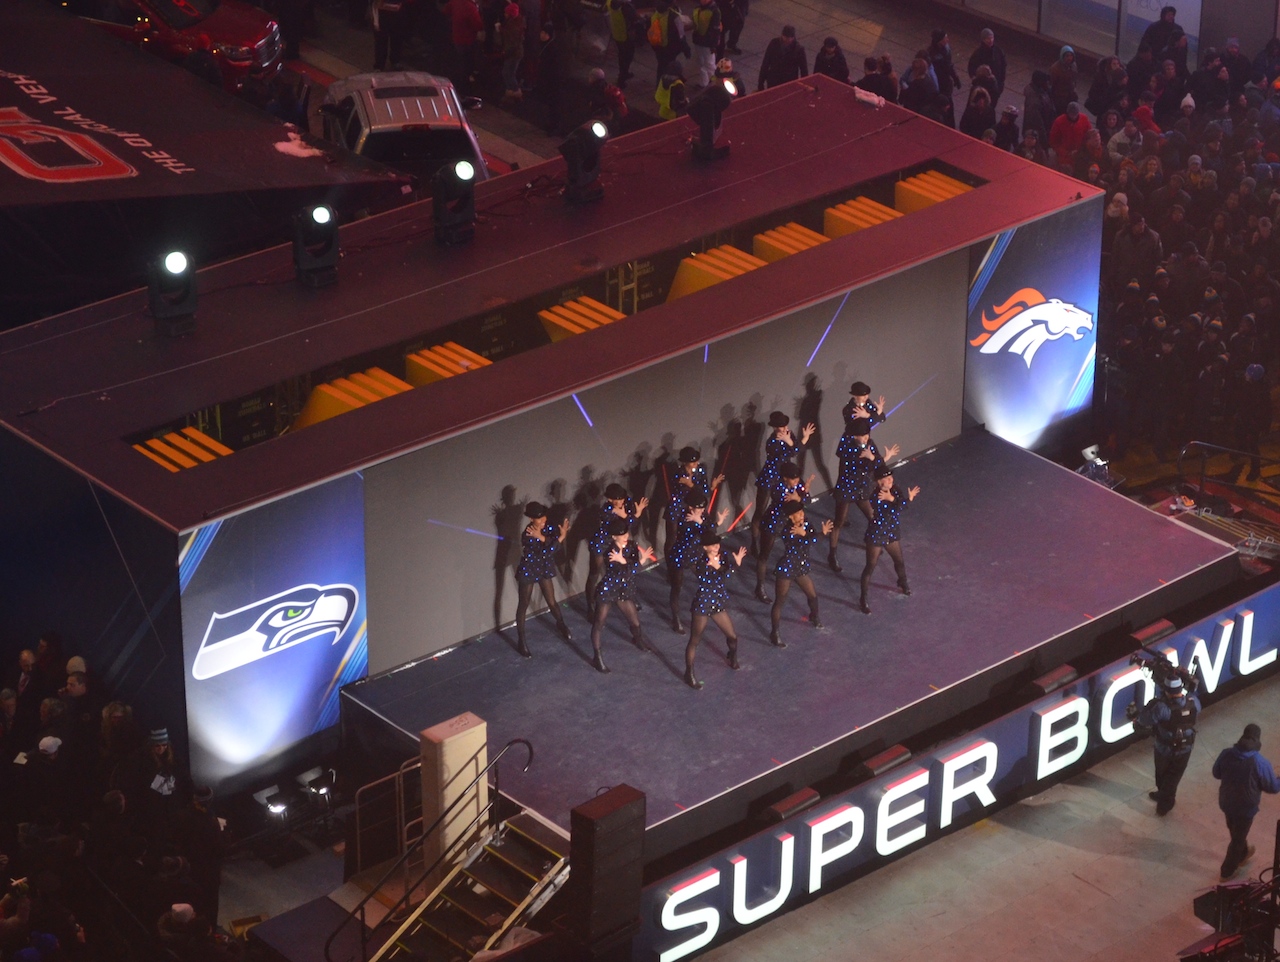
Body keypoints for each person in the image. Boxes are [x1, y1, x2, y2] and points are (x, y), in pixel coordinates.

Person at [1213, 723, 1280, 881]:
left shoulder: (1227, 753)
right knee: (1237, 838)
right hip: (1245, 807)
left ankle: (1243, 854)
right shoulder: (1259, 762)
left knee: (1235, 830)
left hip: (1226, 802)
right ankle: (1227, 871)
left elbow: (1216, 773)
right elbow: (1272, 787)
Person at [830, 418, 899, 571]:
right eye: (863, 435)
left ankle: (875, 542)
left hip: (863, 488)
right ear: (855, 436)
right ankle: (832, 554)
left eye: (867, 434)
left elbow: (878, 466)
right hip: (847, 488)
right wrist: (877, 459)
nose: (866, 438)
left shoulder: (870, 444)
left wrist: (878, 458)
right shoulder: (848, 447)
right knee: (839, 522)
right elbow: (866, 465)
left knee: (873, 516)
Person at [589, 517, 656, 673]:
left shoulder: (632, 546)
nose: (626, 536)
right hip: (610, 588)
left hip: (623, 589)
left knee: (635, 620)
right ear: (614, 537)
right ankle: (597, 657)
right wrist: (632, 562)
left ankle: (638, 640)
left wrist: (631, 561)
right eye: (621, 534)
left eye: (626, 532)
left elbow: (633, 569)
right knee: (599, 623)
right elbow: (627, 570)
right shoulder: (609, 551)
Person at [683, 534, 747, 689]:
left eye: (717, 544)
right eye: (712, 545)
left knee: (732, 636)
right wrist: (719, 567)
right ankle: (689, 673)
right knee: (695, 640)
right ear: (705, 548)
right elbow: (711, 576)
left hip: (717, 602)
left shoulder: (722, 556)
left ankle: (731, 656)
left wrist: (736, 564)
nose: (716, 547)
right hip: (703, 603)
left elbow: (726, 574)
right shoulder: (700, 562)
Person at [1133, 671, 1199, 815]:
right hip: (1186, 748)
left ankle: (1165, 805)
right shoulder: (1193, 701)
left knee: (1164, 776)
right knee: (1173, 776)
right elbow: (1196, 709)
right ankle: (1163, 794)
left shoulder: (1161, 708)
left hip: (1164, 749)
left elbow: (1144, 720)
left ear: (1166, 690)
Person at [769, 500, 832, 648]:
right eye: (797, 514)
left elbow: (814, 538)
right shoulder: (788, 530)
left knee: (812, 595)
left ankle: (814, 616)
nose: (801, 515)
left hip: (801, 568)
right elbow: (807, 541)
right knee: (780, 601)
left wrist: (821, 533)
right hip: (787, 568)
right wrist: (810, 534)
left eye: (802, 512)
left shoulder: (806, 524)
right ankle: (775, 633)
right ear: (791, 517)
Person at [513, 501, 573, 657]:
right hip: (530, 568)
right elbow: (548, 551)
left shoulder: (548, 527)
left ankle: (561, 624)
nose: (543, 520)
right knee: (524, 604)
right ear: (532, 519)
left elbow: (552, 546)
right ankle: (521, 640)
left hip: (544, 567)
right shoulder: (528, 533)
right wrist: (559, 538)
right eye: (539, 518)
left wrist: (557, 537)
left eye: (543, 517)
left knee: (551, 600)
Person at [749, 412, 813, 556]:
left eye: (785, 426)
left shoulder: (788, 435)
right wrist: (798, 440)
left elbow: (796, 449)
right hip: (771, 476)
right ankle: (754, 541)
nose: (785, 429)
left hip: (786, 476)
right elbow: (792, 452)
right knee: (760, 510)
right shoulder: (772, 442)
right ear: (774, 428)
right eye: (781, 427)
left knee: (789, 505)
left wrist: (798, 439)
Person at [858, 465, 918, 614]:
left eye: (891, 477)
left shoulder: (895, 490)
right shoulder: (876, 496)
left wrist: (903, 499)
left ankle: (902, 582)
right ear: (879, 482)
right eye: (887, 478)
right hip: (877, 533)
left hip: (891, 532)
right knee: (870, 566)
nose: (891, 480)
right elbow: (894, 508)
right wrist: (903, 500)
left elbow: (900, 507)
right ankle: (863, 598)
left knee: (899, 561)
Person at [666, 493, 727, 633]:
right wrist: (700, 522)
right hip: (681, 554)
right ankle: (676, 618)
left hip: (697, 554)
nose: (701, 511)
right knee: (677, 587)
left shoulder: (703, 516)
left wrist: (714, 522)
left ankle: (710, 606)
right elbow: (694, 533)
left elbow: (710, 531)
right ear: (690, 507)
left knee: (706, 579)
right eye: (698, 508)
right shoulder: (683, 517)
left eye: (703, 508)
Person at [754, 461, 810, 602]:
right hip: (774, 522)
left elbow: (806, 499)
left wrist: (801, 497)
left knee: (794, 549)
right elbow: (789, 505)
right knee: (764, 555)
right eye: (793, 479)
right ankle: (760, 587)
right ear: (785, 478)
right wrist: (799, 497)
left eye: (798, 479)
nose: (797, 482)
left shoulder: (798, 483)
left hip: (791, 522)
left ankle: (792, 573)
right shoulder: (777, 487)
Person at [586, 484, 647, 612]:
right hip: (602, 543)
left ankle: (629, 597)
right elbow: (619, 528)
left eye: (622, 498)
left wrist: (635, 513)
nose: (620, 502)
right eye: (616, 499)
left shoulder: (627, 503)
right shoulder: (606, 511)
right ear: (609, 499)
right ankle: (590, 605)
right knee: (595, 573)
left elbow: (630, 526)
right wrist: (630, 516)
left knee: (625, 569)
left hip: (618, 543)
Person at [647, 0, 687, 85]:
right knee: (670, 66)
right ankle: (667, 85)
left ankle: (659, 85)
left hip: (658, 47)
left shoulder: (656, 14)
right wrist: (686, 48)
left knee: (661, 66)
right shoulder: (674, 16)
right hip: (670, 48)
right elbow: (681, 34)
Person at [757, 25, 806, 91]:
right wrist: (761, 82)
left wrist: (805, 85)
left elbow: (804, 69)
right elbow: (766, 63)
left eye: (789, 38)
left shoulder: (799, 49)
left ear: (793, 38)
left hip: (788, 83)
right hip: (774, 80)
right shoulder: (774, 43)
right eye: (785, 37)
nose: (786, 40)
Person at [603, 0, 640, 87]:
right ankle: (622, 79)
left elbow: (604, 12)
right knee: (627, 57)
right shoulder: (626, 7)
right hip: (626, 36)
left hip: (616, 34)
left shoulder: (609, 2)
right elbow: (636, 18)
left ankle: (624, 74)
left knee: (621, 56)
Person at [967, 28, 1006, 105]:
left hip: (995, 87)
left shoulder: (998, 51)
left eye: (992, 38)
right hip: (983, 87)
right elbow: (971, 68)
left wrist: (1000, 85)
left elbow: (1003, 67)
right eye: (988, 38)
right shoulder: (978, 54)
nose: (991, 40)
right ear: (983, 40)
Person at [689, 0, 721, 87]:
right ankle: (704, 83)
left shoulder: (714, 11)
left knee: (710, 64)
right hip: (699, 41)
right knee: (701, 63)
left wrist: (713, 45)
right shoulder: (699, 8)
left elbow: (716, 30)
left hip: (708, 43)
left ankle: (714, 84)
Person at [372, 0, 412, 70]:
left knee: (397, 37)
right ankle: (380, 64)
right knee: (381, 39)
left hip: (398, 10)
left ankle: (395, 61)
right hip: (382, 11)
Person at [500, 2, 527, 102]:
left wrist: (505, 52)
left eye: (506, 13)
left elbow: (511, 43)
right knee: (510, 72)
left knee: (507, 72)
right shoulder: (516, 22)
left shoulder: (513, 26)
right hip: (516, 52)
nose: (504, 14)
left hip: (513, 53)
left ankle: (515, 90)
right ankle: (512, 91)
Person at [1048, 46, 1079, 117]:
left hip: (1071, 95)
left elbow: (1074, 79)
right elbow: (1051, 84)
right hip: (1060, 98)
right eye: (1067, 56)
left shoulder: (1073, 65)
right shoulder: (1055, 69)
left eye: (1071, 56)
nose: (1069, 58)